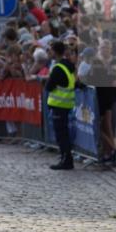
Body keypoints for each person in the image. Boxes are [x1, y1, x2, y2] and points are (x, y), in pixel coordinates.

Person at [46, 40, 76, 170]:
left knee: (61, 135)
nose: (49, 52)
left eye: (51, 50)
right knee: (64, 134)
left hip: (59, 105)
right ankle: (66, 158)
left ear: (55, 51)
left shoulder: (58, 68)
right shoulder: (68, 65)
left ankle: (66, 160)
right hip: (66, 104)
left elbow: (49, 86)